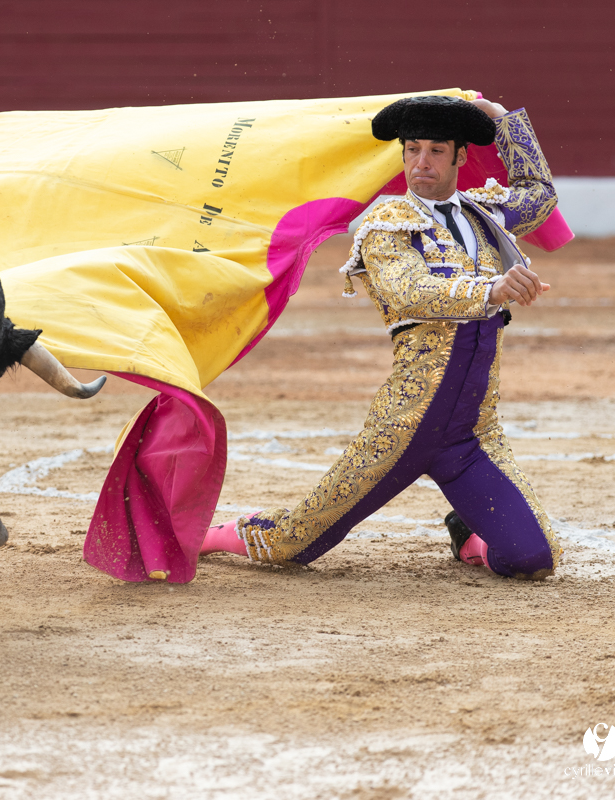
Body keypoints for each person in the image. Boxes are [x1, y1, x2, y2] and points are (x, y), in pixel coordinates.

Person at [202, 95, 562, 580]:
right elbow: (411, 292)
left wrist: (504, 120)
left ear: (460, 156)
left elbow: (538, 192)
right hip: (402, 429)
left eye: (437, 150)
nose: (422, 162)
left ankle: (469, 535)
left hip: (473, 434)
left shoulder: (486, 216)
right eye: (412, 149)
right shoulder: (385, 226)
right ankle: (225, 532)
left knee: (532, 561)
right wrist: (492, 287)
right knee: (292, 546)